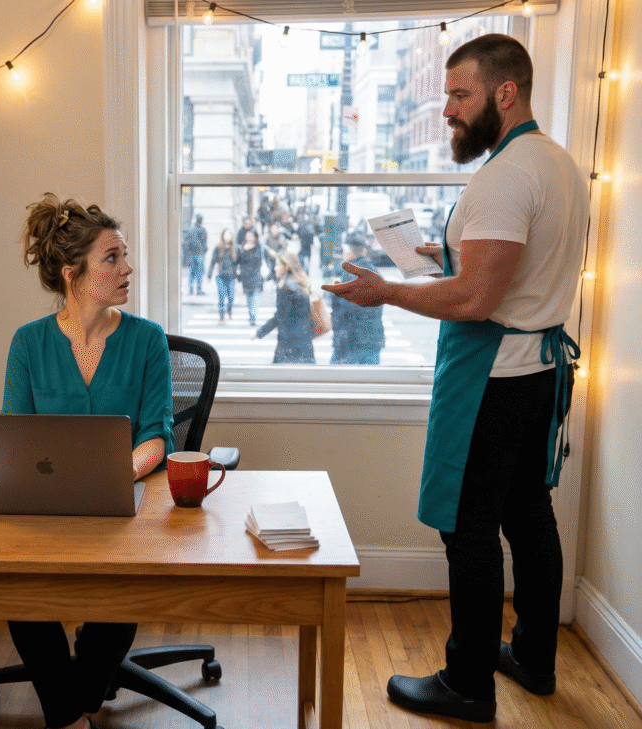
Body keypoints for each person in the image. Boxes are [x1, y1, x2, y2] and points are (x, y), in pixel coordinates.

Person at [322, 35, 588, 723]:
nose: (447, 110)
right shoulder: (557, 164)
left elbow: (475, 299)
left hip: (491, 379)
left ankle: (467, 682)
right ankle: (532, 654)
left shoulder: (503, 177)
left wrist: (386, 291)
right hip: (540, 375)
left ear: (506, 92)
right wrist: (426, 253)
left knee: (467, 531)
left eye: (460, 94)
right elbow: (505, 264)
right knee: (529, 512)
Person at [3, 193, 176, 729]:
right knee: (21, 594)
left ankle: (71, 702)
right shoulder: (29, 343)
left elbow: (158, 435)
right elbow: (15, 436)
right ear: (70, 272)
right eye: (112, 258)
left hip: (123, 502)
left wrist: (117, 472)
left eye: (124, 256)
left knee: (121, 592)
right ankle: (73, 714)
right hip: (47, 507)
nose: (127, 268)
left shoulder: (147, 340)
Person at [328, 235, 385, 364]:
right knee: (369, 380)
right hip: (373, 338)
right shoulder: (374, 272)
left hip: (351, 341)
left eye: (343, 251)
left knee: (336, 379)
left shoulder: (347, 274)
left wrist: (339, 343)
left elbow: (342, 313)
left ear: (350, 253)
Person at [251, 250, 315, 364]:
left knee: (281, 377)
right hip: (304, 342)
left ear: (286, 267)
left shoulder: (286, 288)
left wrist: (259, 333)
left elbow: (279, 317)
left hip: (289, 345)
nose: (274, 268)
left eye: (277, 265)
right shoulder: (299, 282)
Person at [206, 228, 238, 324]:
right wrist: (209, 275)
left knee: (231, 297)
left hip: (231, 276)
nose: (227, 236)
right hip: (221, 276)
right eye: (225, 234)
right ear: (223, 236)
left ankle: (229, 309)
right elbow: (213, 261)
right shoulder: (218, 247)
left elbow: (238, 262)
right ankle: (221, 316)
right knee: (221, 296)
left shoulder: (235, 248)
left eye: (229, 234)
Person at [236, 229, 263, 326]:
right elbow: (238, 261)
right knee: (248, 297)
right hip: (245, 276)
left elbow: (259, 260)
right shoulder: (241, 247)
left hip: (255, 274)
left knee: (255, 296)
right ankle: (250, 313)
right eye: (247, 235)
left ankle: (253, 316)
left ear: (255, 237)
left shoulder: (258, 247)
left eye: (251, 235)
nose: (249, 237)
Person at [184, 214, 208, 295]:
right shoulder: (203, 230)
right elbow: (204, 242)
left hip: (192, 254)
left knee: (192, 273)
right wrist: (204, 250)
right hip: (200, 254)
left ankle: (190, 289)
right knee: (199, 273)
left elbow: (186, 242)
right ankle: (199, 290)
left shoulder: (191, 230)